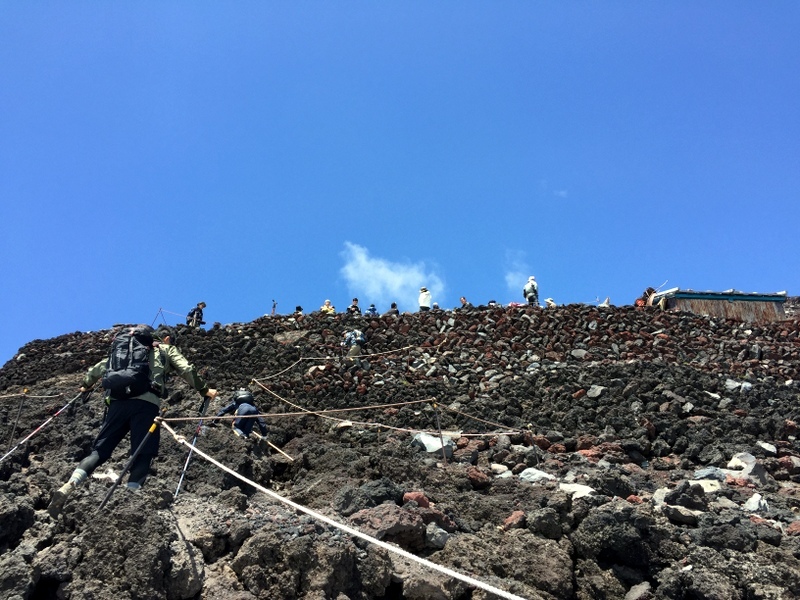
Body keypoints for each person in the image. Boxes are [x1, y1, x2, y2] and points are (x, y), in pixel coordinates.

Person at [48, 325, 217, 518]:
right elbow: (186, 368)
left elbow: (100, 368)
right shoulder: (165, 349)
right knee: (143, 454)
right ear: (167, 338)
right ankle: (129, 501)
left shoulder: (125, 348)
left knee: (99, 452)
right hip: (146, 405)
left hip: (117, 404)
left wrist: (85, 385)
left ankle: (70, 485)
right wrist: (204, 389)